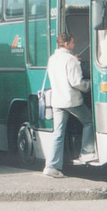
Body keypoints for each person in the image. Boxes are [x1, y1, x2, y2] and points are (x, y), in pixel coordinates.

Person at [43, 32, 95, 178]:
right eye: (72, 43)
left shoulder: (52, 58)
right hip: (71, 100)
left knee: (58, 133)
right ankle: (86, 153)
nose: (74, 45)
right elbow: (76, 82)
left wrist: (75, 61)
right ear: (66, 44)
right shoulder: (71, 59)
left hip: (57, 100)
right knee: (89, 121)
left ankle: (51, 166)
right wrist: (89, 85)